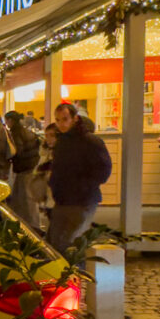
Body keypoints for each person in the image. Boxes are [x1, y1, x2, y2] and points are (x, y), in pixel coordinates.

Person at [47, 102, 112, 253]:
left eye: (64, 119)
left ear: (75, 118)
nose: (61, 124)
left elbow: (103, 169)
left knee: (71, 242)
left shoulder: (90, 141)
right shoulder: (62, 141)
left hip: (82, 199)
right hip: (63, 199)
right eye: (57, 120)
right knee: (57, 242)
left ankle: (76, 273)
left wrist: (85, 184)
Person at [6, 110, 41, 226]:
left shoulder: (16, 132)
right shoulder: (25, 130)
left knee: (26, 198)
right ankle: (25, 224)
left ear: (10, 120)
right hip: (30, 165)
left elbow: (18, 151)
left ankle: (32, 226)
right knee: (22, 197)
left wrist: (11, 156)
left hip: (24, 167)